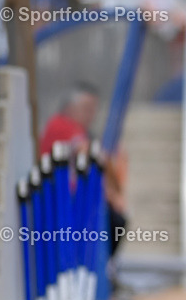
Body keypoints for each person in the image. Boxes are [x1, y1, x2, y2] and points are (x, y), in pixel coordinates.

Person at [39, 83, 129, 259]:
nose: (91, 115)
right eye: (87, 108)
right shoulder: (61, 125)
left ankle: (103, 268)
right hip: (63, 200)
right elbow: (92, 155)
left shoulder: (79, 130)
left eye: (94, 109)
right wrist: (111, 193)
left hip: (74, 198)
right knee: (114, 221)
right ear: (70, 107)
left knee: (115, 220)